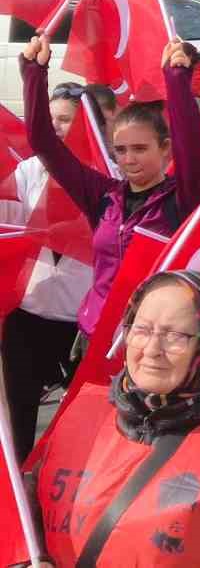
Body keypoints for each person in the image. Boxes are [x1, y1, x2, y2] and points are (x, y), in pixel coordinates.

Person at [15, 270, 200, 566]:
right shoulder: (82, 417)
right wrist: (33, 559)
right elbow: (28, 523)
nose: (152, 349)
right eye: (142, 329)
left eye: (175, 335)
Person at [19, 36, 200, 335]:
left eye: (140, 149)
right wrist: (33, 72)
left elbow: (192, 147)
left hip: (154, 340)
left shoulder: (184, 196)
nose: (129, 159)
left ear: (165, 149)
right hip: (96, 334)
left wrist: (176, 78)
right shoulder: (104, 196)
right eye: (121, 150)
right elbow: (44, 143)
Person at [0, 84, 100, 460]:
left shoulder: (101, 177)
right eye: (52, 119)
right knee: (20, 409)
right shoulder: (26, 172)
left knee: (80, 416)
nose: (57, 128)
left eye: (66, 120)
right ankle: (21, 486)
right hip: (28, 313)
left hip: (82, 320)